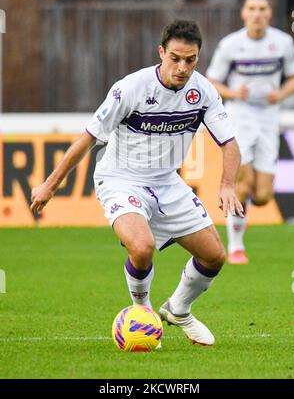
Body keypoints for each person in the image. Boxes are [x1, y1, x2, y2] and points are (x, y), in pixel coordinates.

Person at [31, 19, 243, 346]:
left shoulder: (203, 92)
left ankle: (178, 309)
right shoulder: (130, 88)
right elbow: (87, 139)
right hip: (120, 178)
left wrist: (227, 184)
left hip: (167, 183)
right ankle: (142, 315)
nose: (183, 67)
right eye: (175, 58)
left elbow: (229, 143)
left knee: (214, 256)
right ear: (161, 52)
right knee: (141, 247)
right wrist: (49, 185)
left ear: (198, 57)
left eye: (191, 60)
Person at [206, 0, 294, 265]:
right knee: (242, 183)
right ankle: (236, 247)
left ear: (269, 13)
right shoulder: (231, 45)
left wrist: (280, 94)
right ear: (243, 14)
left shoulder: (282, 43)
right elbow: (212, 81)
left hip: (269, 118)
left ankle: (240, 220)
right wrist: (234, 92)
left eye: (262, 9)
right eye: (251, 9)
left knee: (262, 195)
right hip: (239, 116)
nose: (257, 14)